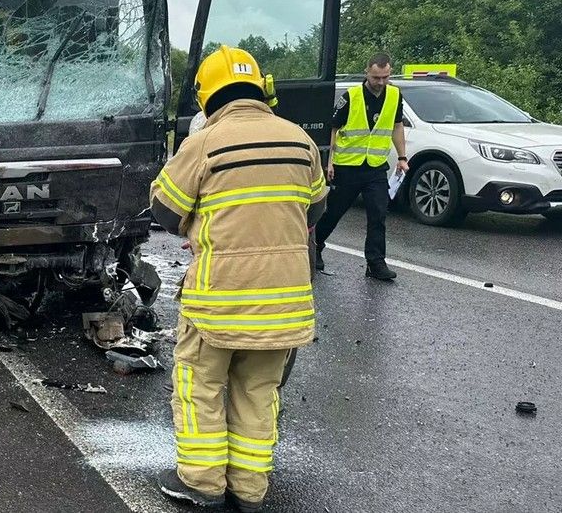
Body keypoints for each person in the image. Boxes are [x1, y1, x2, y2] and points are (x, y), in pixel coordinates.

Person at [149, 46, 327, 511]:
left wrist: (204, 219)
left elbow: (165, 211)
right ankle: (249, 491)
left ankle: (203, 484)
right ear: (262, 88)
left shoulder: (205, 142)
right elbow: (316, 209)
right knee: (258, 391)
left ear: (207, 96)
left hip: (219, 299)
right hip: (286, 300)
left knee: (200, 385)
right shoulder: (298, 139)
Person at [314, 52, 409, 281]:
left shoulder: (395, 95)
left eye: (385, 77)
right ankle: (315, 246)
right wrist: (329, 163)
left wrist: (402, 157)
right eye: (376, 77)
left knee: (378, 213)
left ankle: (375, 263)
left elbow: (397, 126)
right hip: (347, 166)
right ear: (367, 72)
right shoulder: (352, 96)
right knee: (334, 212)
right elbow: (333, 129)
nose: (381, 82)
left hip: (375, 166)